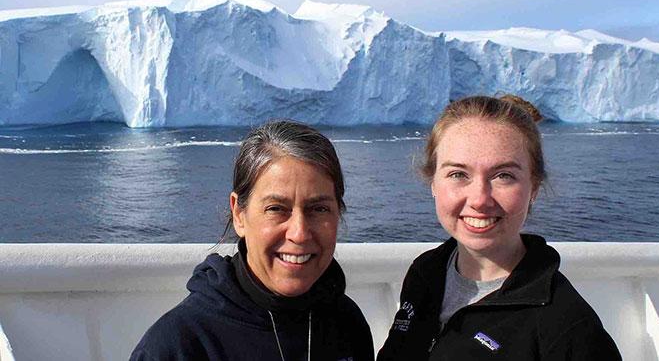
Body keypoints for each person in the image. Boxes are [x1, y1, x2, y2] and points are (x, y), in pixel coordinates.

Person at [377, 95, 621, 360]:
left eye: (504, 176)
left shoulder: (565, 326)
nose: (480, 199)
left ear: (534, 188)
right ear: (433, 182)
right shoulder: (427, 273)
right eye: (458, 174)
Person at [131, 120, 374, 361]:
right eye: (276, 208)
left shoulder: (346, 323)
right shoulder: (180, 345)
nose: (299, 233)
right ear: (239, 214)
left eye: (319, 209)